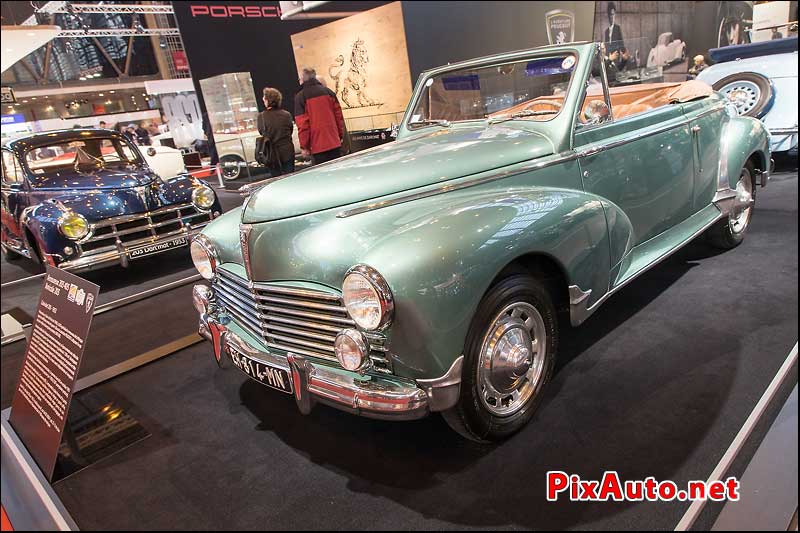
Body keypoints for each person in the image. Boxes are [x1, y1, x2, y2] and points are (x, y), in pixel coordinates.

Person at [294, 67, 345, 165]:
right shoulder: (329, 92)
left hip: (317, 147)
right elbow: (339, 117)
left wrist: (305, 147)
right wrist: (340, 136)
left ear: (303, 79)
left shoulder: (300, 97)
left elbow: (303, 125)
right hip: (334, 142)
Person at [257, 87, 295, 176]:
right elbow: (290, 130)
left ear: (267, 100)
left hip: (271, 153)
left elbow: (261, 131)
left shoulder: (261, 117)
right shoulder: (286, 114)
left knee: (276, 179)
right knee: (290, 177)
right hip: (287, 151)